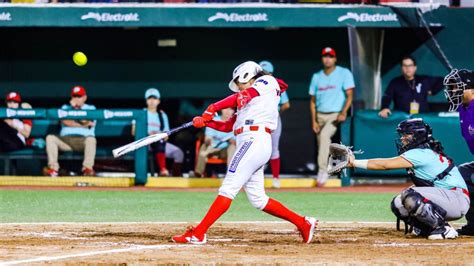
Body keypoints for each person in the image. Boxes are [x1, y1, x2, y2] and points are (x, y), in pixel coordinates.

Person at [172, 61, 316, 244]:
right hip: (251, 142)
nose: (238, 87)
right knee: (258, 199)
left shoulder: (267, 82)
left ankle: (199, 233)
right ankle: (303, 223)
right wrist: (205, 122)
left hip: (254, 140)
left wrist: (213, 108)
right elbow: (227, 126)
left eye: (240, 82)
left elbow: (246, 94)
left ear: (249, 74)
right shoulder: (249, 101)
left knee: (228, 187)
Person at [348, 118, 469, 240]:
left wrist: (353, 163)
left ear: (418, 135)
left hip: (456, 199)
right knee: (398, 203)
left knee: (410, 195)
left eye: (407, 134)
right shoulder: (422, 151)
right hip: (448, 198)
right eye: (402, 134)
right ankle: (426, 227)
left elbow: (385, 165)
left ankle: (443, 229)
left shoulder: (420, 153)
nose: (402, 138)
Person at [309, 47, 354, 187]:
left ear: (335, 59)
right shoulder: (317, 76)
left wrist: (343, 112)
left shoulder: (344, 72)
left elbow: (350, 95)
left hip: (334, 114)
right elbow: (312, 101)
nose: (327, 59)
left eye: (330, 56)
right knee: (321, 142)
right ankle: (326, 169)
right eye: (325, 56)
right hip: (320, 114)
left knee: (324, 137)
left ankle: (322, 171)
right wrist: (314, 120)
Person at [443, 68, 474, 235]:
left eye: (458, 87)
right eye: (453, 87)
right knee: (462, 174)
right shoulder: (463, 109)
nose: (453, 91)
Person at [44, 86, 97, 177]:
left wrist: (77, 110)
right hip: (66, 141)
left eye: (79, 96)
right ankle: (53, 169)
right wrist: (82, 125)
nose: (76, 99)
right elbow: (66, 122)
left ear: (85, 98)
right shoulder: (65, 107)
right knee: (50, 138)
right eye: (74, 96)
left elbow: (87, 121)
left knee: (91, 140)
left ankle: (87, 169)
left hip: (82, 142)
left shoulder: (91, 108)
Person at [132, 88, 184, 176]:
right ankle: (163, 169)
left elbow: (167, 135)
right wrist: (148, 135)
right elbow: (134, 132)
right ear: (146, 101)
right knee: (158, 141)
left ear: (158, 101)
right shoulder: (140, 113)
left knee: (178, 153)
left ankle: (175, 178)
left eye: (154, 98)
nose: (152, 101)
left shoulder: (162, 115)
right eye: (150, 98)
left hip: (160, 143)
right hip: (144, 143)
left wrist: (159, 136)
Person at [379, 56, 444, 118]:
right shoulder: (395, 82)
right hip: (402, 120)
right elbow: (386, 97)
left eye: (410, 65)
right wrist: (384, 108)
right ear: (401, 67)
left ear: (415, 67)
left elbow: (443, 80)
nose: (407, 68)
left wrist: (433, 91)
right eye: (405, 66)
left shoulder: (423, 80)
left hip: (422, 119)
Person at [259, 60, 290, 189]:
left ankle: (276, 178)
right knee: (259, 148)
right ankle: (257, 179)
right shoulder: (256, 85)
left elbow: (286, 104)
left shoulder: (276, 85)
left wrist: (275, 112)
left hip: (271, 118)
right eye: (263, 73)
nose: (266, 75)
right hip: (259, 118)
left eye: (268, 73)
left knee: (273, 148)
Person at [194, 108, 236, 177]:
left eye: (230, 109)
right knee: (204, 146)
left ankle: (231, 174)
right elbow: (208, 137)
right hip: (212, 148)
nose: (227, 112)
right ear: (221, 110)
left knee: (233, 147)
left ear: (233, 111)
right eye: (225, 109)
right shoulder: (214, 120)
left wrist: (231, 140)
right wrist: (208, 141)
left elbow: (237, 140)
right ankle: (198, 173)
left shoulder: (236, 122)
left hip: (225, 150)